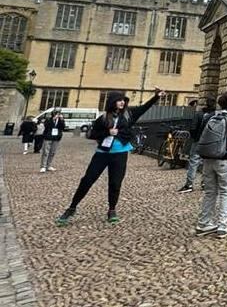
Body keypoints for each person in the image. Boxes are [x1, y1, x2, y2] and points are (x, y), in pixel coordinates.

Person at [56, 89, 165, 226]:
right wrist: (108, 132)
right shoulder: (102, 118)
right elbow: (91, 134)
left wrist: (156, 97)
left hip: (120, 153)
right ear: (112, 102)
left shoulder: (128, 115)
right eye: (119, 100)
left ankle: (112, 210)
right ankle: (72, 207)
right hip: (102, 153)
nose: (122, 102)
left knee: (115, 183)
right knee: (87, 180)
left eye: (123, 100)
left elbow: (144, 108)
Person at [195, 91, 227, 239]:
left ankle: (203, 224)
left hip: (207, 159)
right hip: (224, 159)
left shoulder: (211, 117)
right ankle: (223, 226)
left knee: (210, 192)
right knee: (226, 191)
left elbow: (201, 135)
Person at [178, 97, 216, 194]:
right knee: (206, 162)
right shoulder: (215, 115)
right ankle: (204, 183)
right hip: (210, 142)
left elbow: (193, 128)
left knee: (193, 162)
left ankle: (189, 184)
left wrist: (195, 138)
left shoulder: (199, 114)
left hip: (198, 141)